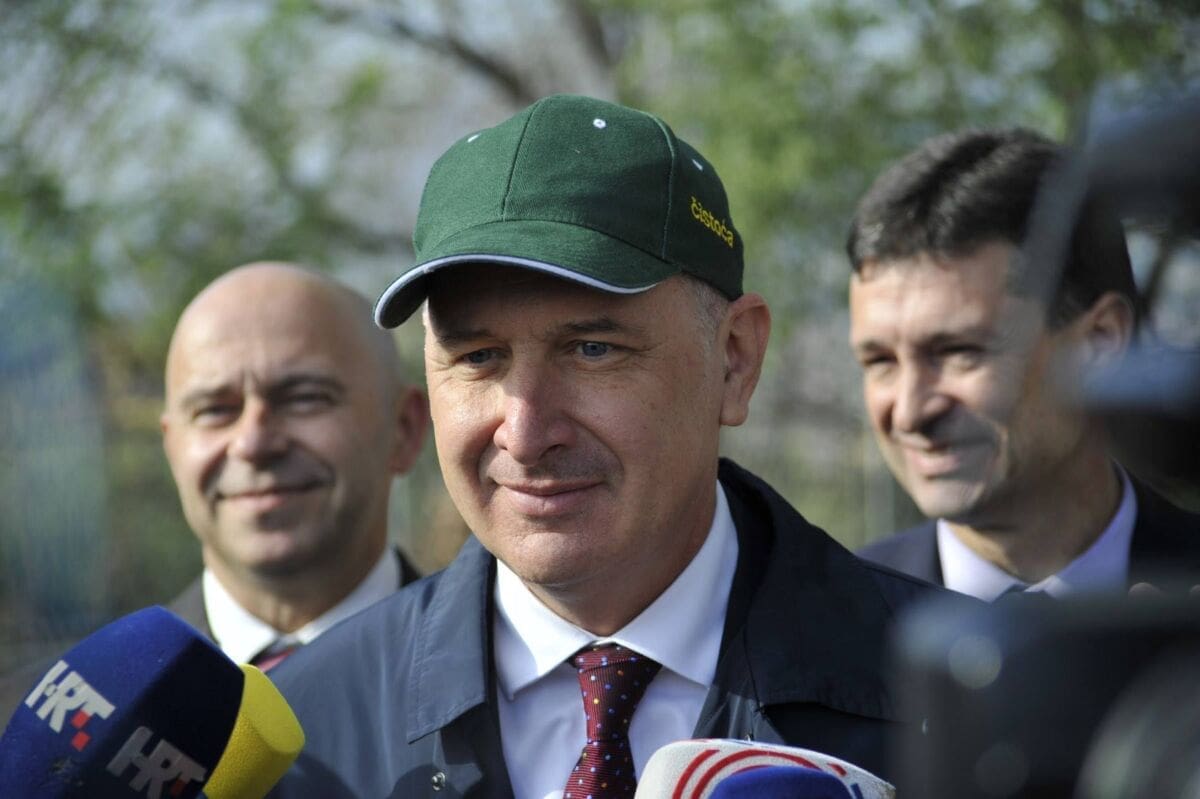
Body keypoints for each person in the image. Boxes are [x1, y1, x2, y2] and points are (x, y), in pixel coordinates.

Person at [268, 94, 954, 798]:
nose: (525, 433)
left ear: (734, 360)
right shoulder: (311, 738)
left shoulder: (965, 706)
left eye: (592, 349)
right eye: (478, 358)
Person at [847, 128, 1200, 601]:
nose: (910, 411)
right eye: (880, 361)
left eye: (958, 351)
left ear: (1100, 339)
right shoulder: (821, 618)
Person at [158, 261, 429, 667]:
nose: (253, 443)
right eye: (215, 410)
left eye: (304, 398)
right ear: (172, 446)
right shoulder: (101, 700)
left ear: (404, 428)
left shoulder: (508, 681)